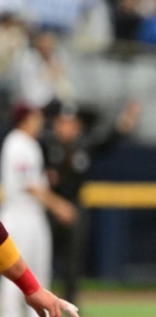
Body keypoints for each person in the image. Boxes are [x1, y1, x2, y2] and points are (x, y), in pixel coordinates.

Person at [41, 100, 141, 305]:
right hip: (49, 206)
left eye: (71, 123)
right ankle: (38, 301)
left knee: (74, 258)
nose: (67, 127)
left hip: (75, 204)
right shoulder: (45, 145)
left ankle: (71, 303)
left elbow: (109, 139)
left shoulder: (83, 145)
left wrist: (126, 120)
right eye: (62, 122)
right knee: (40, 256)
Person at [0, 103, 77, 317]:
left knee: (39, 267)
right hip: (18, 212)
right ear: (25, 119)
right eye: (36, 117)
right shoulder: (16, 143)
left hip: (34, 213)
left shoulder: (31, 144)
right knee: (13, 266)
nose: (40, 121)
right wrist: (58, 205)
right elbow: (29, 185)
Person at [0, 220, 80, 317]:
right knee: (10, 282)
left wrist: (32, 288)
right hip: (16, 218)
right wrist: (32, 288)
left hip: (35, 218)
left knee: (40, 267)